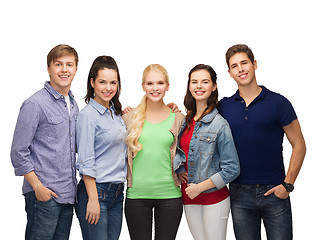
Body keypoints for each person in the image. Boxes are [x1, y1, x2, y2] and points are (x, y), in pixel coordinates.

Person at [218, 44, 306, 240]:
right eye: (234, 66)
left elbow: (299, 144)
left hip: (275, 191)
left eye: (244, 63)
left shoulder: (279, 103)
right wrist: (173, 109)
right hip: (239, 193)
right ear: (230, 73)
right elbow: (198, 116)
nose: (240, 69)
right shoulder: (223, 106)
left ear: (254, 64)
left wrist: (288, 185)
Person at [10, 44, 79, 240]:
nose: (64, 69)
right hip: (43, 196)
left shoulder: (73, 105)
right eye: (58, 64)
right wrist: (38, 188)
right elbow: (18, 151)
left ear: (75, 69)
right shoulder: (35, 104)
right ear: (49, 69)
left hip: (67, 195)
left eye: (69, 64)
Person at [173, 64, 240, 240]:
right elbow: (179, 151)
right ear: (189, 86)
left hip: (214, 199)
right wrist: (179, 171)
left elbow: (232, 168)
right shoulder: (184, 121)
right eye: (194, 82)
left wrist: (200, 187)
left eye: (205, 82)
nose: (199, 86)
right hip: (189, 197)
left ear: (214, 86)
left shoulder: (220, 124)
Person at [123, 64, 184, 240]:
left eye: (160, 83)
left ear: (167, 86)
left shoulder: (179, 118)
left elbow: (188, 150)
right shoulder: (129, 118)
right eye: (150, 83)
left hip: (170, 196)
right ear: (143, 86)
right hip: (137, 196)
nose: (155, 88)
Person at [75, 56, 127, 240]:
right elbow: (85, 160)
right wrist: (93, 199)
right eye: (102, 82)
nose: (108, 88)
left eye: (113, 82)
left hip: (117, 193)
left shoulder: (116, 113)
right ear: (92, 82)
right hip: (96, 192)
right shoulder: (88, 115)